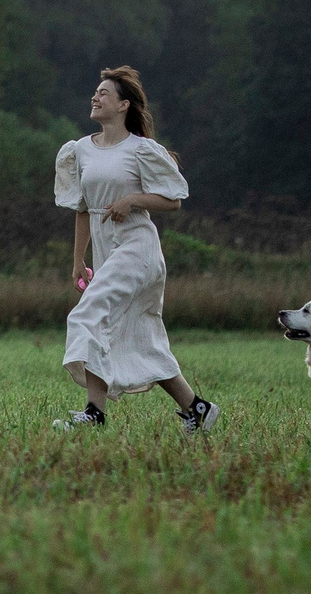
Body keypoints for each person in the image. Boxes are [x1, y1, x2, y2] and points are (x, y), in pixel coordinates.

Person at [52, 65, 218, 433]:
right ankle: (198, 409)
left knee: (87, 316)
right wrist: (78, 259)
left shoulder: (140, 150)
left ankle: (94, 414)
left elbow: (173, 200)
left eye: (104, 93)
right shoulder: (79, 150)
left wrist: (133, 199)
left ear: (124, 104)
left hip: (137, 248)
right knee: (139, 337)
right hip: (106, 251)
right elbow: (82, 208)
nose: (95, 97)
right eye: (95, 92)